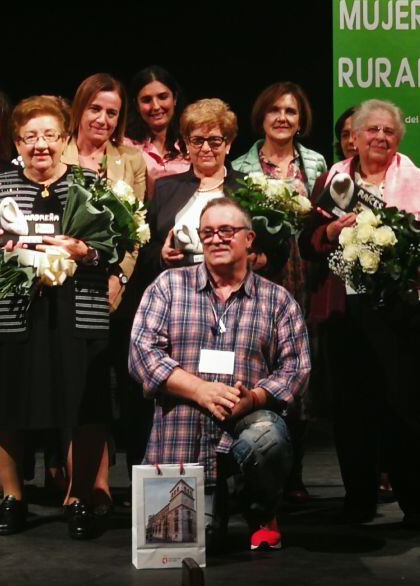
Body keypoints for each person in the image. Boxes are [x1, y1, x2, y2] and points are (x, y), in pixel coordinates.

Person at [300, 99, 420, 529]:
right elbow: (305, 239)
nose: (380, 138)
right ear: (355, 136)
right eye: (372, 131)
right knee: (351, 411)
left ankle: (416, 503)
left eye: (389, 131)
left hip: (400, 313)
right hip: (344, 312)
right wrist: (330, 232)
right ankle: (359, 499)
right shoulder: (333, 181)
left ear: (399, 137)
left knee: (405, 410)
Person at [130, 198, 310, 552]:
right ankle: (217, 507)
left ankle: (261, 511)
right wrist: (199, 390)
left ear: (249, 239)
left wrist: (254, 399)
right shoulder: (168, 286)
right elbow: (142, 353)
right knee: (187, 544)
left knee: (267, 439)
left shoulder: (278, 300)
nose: (216, 239)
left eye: (227, 231)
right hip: (184, 423)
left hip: (247, 420)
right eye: (208, 232)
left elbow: (296, 367)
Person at [0, 95, 114, 540]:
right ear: (17, 142)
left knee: (84, 406)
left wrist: (83, 251)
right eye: (30, 136)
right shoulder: (0, 186)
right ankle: (13, 497)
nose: (41, 145)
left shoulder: (89, 183)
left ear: (65, 140)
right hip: (18, 311)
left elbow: (114, 248)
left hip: (79, 311)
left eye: (50, 136)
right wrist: (0, 250)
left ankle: (78, 499)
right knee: (8, 404)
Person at [119, 98, 249, 469]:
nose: (206, 148)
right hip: (180, 303)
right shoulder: (166, 189)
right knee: (182, 388)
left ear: (229, 143)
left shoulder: (247, 190)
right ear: (186, 143)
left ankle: (233, 472)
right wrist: (162, 255)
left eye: (215, 140)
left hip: (234, 301)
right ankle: (173, 469)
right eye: (197, 140)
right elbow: (142, 250)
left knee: (229, 385)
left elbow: (264, 249)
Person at [232, 82, 328, 501]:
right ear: (262, 117)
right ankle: (255, 469)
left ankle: (293, 474)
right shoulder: (241, 166)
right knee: (260, 372)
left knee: (299, 376)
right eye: (274, 110)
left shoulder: (317, 163)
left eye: (290, 111)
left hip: (306, 279)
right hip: (262, 281)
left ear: (301, 119)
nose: (282, 118)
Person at [61, 72, 147, 311]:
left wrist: (119, 278)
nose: (102, 120)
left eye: (112, 113)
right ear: (79, 109)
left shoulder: (132, 160)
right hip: (58, 274)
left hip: (106, 281)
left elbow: (136, 233)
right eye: (94, 109)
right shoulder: (56, 151)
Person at [123, 65, 190, 197]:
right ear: (136, 105)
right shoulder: (125, 147)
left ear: (175, 98)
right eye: (147, 100)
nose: (156, 106)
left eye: (163, 97)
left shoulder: (191, 143)